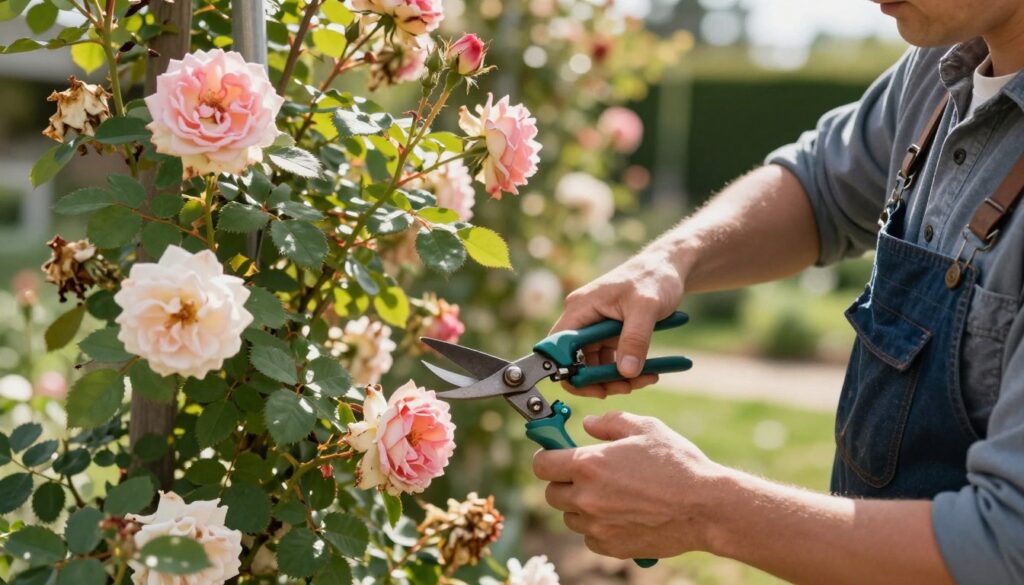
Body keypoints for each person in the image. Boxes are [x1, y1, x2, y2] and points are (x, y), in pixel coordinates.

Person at [531, 0, 1024, 582]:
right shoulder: (943, 64)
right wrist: (669, 260)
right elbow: (821, 186)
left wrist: (707, 508)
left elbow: (1005, 549)